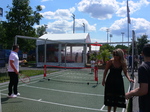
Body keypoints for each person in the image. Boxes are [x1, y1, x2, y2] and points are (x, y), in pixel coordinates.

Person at [125, 44, 150, 112]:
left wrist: (130, 94)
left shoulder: (143, 68)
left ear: (142, 53)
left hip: (146, 106)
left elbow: (143, 90)